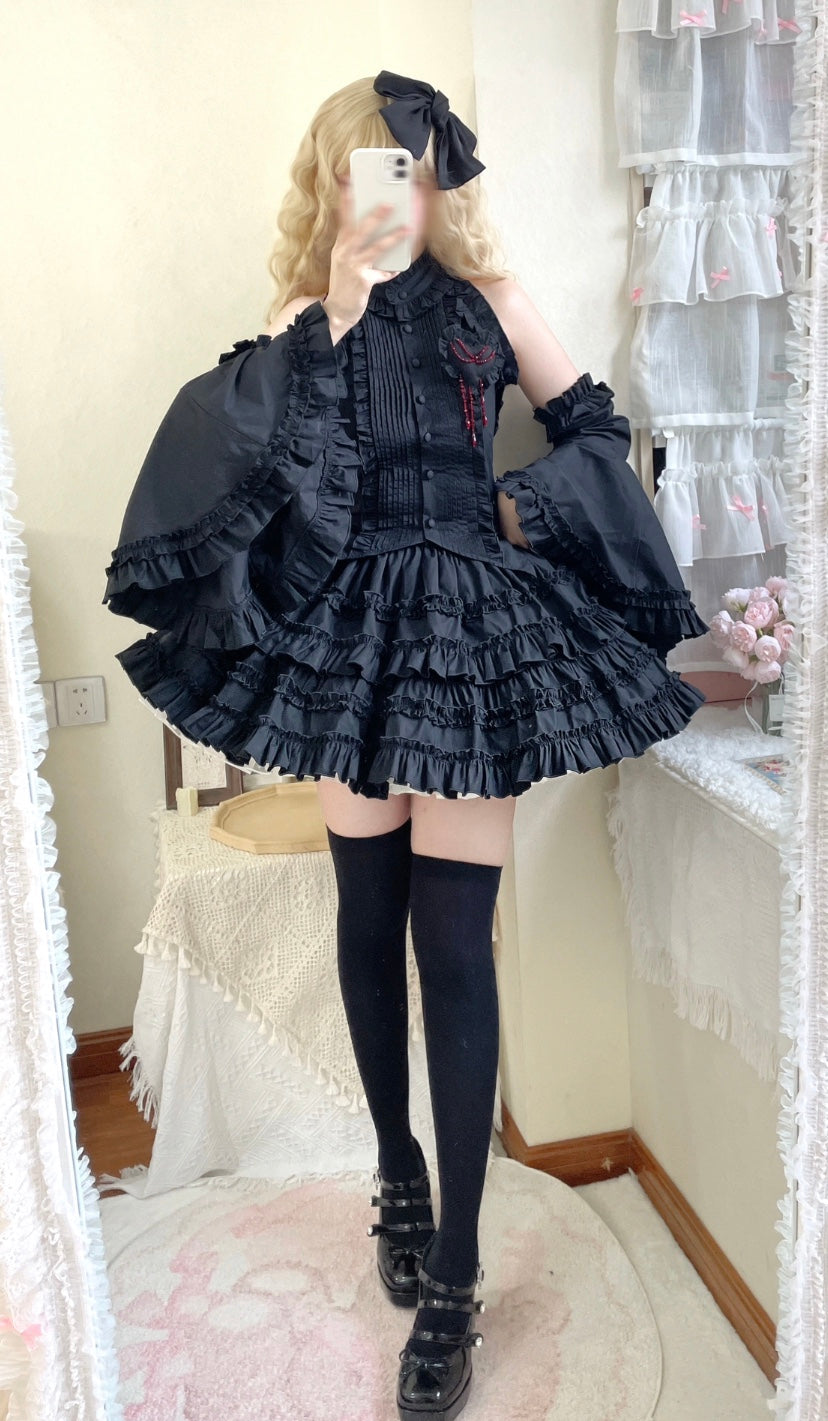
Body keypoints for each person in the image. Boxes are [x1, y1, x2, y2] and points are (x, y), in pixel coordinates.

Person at [102, 69, 709, 1419]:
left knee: (456, 946)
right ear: (331, 188)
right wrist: (334, 308)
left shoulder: (494, 303)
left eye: (414, 173)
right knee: (367, 922)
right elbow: (255, 465)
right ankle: (397, 1169)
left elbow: (596, 429)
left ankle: (458, 1271)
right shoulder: (304, 317)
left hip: (472, 633)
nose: (394, 197)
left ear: (440, 185)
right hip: (344, 637)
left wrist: (517, 510)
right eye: (366, 173)